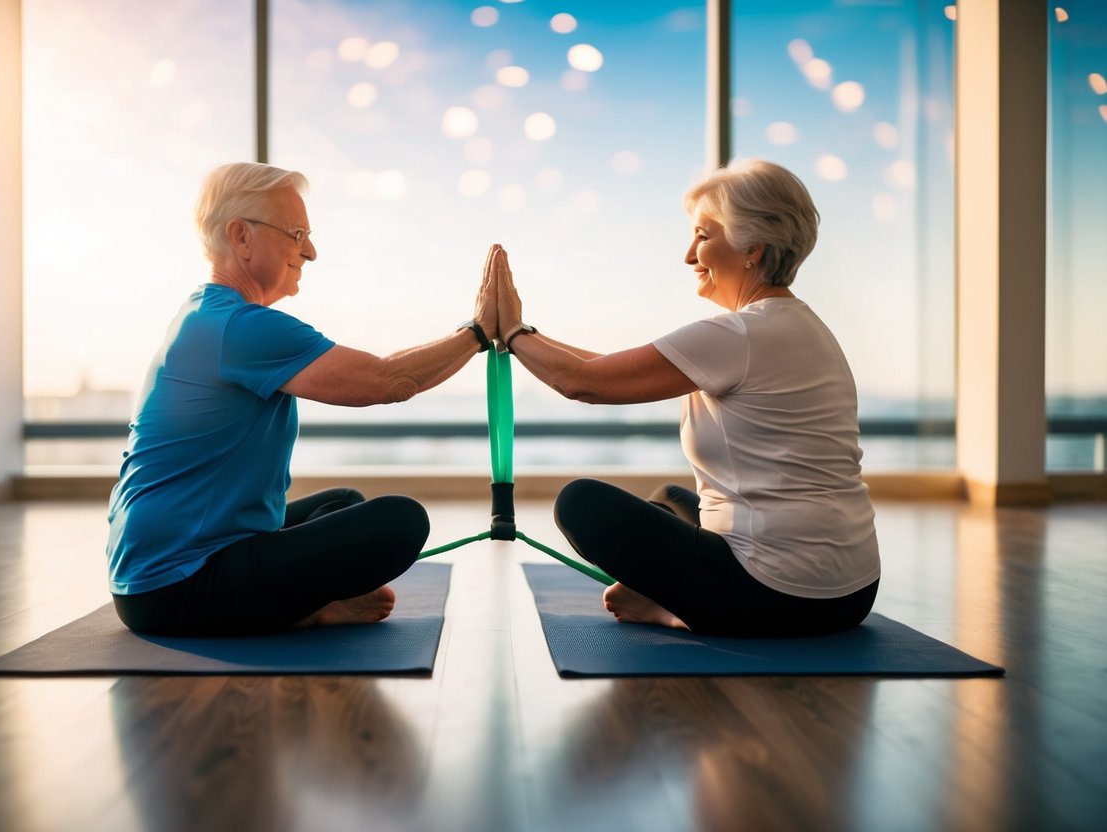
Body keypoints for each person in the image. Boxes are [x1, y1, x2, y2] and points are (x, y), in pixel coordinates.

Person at [106, 161, 501, 636]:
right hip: (175, 589)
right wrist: (479, 331)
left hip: (150, 574)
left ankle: (304, 601)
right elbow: (387, 381)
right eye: (296, 233)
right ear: (242, 237)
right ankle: (303, 608)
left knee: (342, 502)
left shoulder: (204, 311)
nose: (310, 251)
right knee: (401, 521)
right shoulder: (241, 328)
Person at [491, 158, 880, 637]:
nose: (689, 255)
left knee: (580, 504)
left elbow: (584, 383)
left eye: (703, 235)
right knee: (672, 500)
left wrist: (509, 331)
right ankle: (672, 591)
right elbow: (605, 369)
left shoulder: (740, 334)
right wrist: (524, 334)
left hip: (778, 593)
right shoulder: (797, 325)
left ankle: (677, 610)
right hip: (852, 591)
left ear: (751, 248)